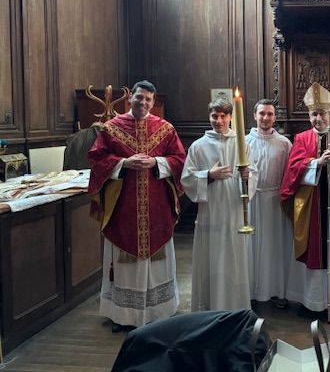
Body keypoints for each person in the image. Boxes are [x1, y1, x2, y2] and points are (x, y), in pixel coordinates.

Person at [88, 80, 185, 332]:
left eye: (148, 99)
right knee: (124, 261)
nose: (143, 102)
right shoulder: (111, 128)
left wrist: (156, 162)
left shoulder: (165, 129)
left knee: (157, 259)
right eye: (139, 97)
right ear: (130, 97)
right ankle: (124, 316)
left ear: (153, 102)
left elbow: (179, 159)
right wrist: (123, 163)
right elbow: (97, 160)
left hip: (157, 209)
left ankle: (158, 312)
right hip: (123, 209)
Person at [280, 82, 330, 319]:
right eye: (314, 114)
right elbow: (292, 170)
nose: (318, 119)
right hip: (311, 206)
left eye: (322, 113)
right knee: (313, 250)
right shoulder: (301, 138)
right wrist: (315, 163)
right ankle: (312, 302)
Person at [181, 98, 254, 312]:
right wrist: (208, 175)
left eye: (223, 116)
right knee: (210, 257)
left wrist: (247, 176)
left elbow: (253, 173)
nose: (219, 121)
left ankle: (236, 308)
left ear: (231, 117)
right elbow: (187, 179)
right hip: (210, 212)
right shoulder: (198, 146)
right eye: (214, 116)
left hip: (234, 211)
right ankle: (209, 307)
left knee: (234, 258)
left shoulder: (242, 143)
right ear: (209, 117)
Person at [246, 99, 293, 308]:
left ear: (275, 117)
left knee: (276, 247)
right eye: (262, 113)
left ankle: (277, 291)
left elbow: (291, 174)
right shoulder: (244, 142)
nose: (265, 118)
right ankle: (251, 291)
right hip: (252, 199)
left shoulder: (284, 143)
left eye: (270, 114)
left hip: (275, 201)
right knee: (251, 247)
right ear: (254, 115)